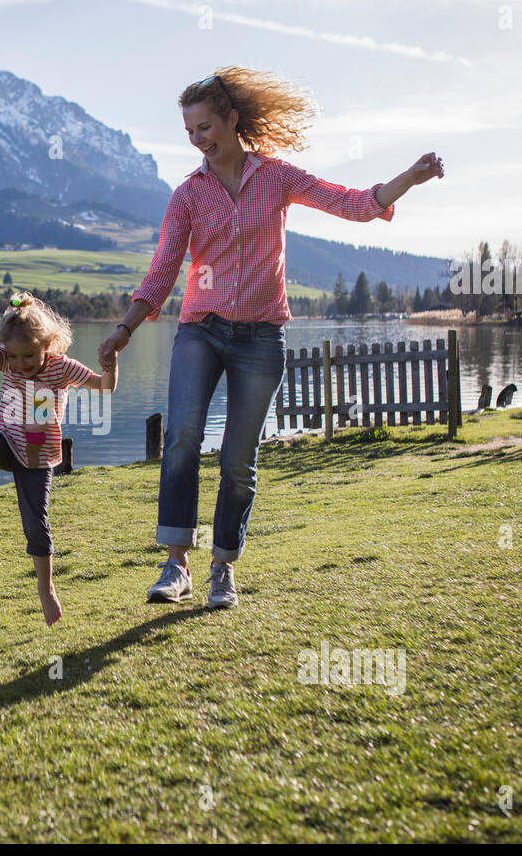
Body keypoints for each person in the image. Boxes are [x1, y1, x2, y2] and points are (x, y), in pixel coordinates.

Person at [97, 67, 443, 609]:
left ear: (232, 119)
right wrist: (124, 328)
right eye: (189, 132)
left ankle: (221, 570)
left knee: (238, 458)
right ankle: (175, 565)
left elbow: (350, 202)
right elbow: (164, 269)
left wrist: (407, 179)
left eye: (205, 127)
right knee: (183, 436)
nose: (198, 140)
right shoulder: (188, 195)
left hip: (262, 338)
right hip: (200, 330)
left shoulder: (277, 178)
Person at [0, 292, 118, 625]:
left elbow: (104, 387)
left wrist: (111, 366)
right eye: (14, 357)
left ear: (48, 343)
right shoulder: (7, 359)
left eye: (28, 355)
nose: (20, 364)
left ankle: (46, 589)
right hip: (6, 440)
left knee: (35, 524)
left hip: (39, 457)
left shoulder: (61, 367)